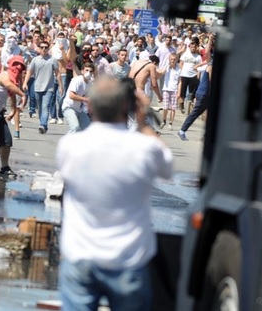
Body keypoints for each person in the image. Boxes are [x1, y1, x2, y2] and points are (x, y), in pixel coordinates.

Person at [57, 77, 173, 311]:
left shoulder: (70, 146)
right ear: (125, 107)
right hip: (128, 259)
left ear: (91, 107)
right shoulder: (145, 148)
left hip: (80, 257)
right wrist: (143, 120)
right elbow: (168, 167)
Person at [23, 41, 63, 134]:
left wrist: (61, 86)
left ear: (48, 49)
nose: (44, 49)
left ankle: (43, 125)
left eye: (46, 47)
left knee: (45, 107)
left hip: (49, 88)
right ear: (39, 49)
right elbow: (30, 72)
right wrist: (25, 83)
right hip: (37, 87)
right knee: (40, 108)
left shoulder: (52, 60)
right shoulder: (35, 60)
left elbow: (57, 73)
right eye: (42, 47)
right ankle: (43, 124)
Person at [178, 60, 212, 141]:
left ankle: (206, 136)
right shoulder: (211, 66)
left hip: (206, 94)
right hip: (203, 94)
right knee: (195, 113)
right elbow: (212, 80)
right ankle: (182, 131)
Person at [62, 62, 93, 133]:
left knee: (88, 129)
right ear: (82, 71)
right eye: (87, 70)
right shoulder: (77, 80)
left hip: (79, 109)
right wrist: (85, 99)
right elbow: (71, 95)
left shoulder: (90, 84)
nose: (89, 73)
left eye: (91, 71)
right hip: (69, 107)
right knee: (75, 127)